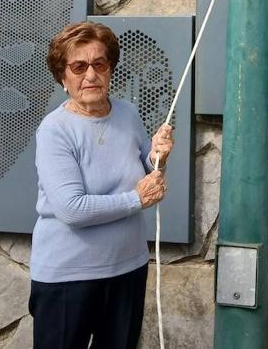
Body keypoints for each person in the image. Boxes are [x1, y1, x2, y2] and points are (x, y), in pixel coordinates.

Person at [29, 21, 174, 349]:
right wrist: (136, 199)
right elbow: (71, 209)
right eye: (79, 66)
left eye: (99, 64)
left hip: (128, 269)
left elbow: (145, 171)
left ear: (110, 69)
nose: (90, 75)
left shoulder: (128, 113)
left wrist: (157, 155)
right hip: (67, 278)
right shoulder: (55, 130)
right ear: (62, 77)